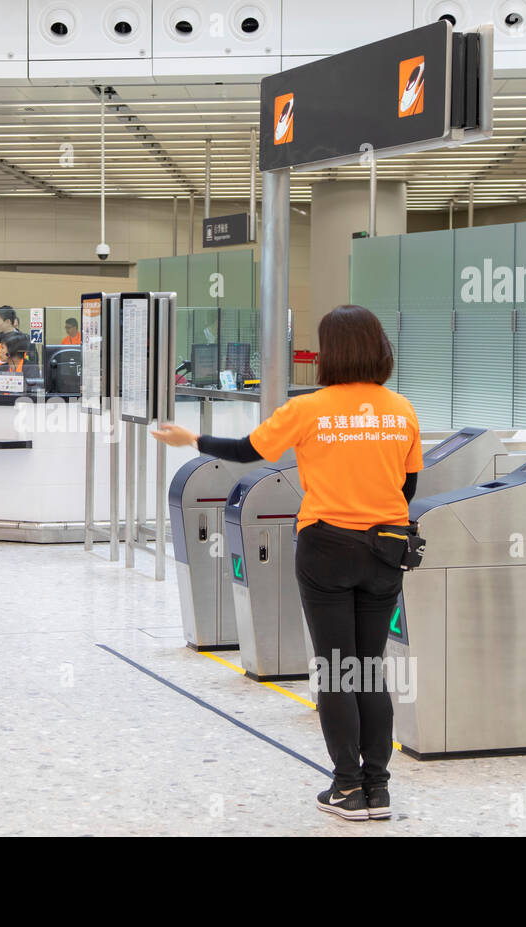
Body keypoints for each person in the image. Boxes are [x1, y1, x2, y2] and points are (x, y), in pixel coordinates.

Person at [152, 305, 423, 823]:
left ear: (329, 353)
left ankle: (347, 788)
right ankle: (378, 789)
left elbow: (249, 449)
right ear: (379, 348)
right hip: (386, 549)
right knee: (369, 667)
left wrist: (192, 439)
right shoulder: (400, 409)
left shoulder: (310, 409)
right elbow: (407, 487)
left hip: (326, 548)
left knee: (336, 669)